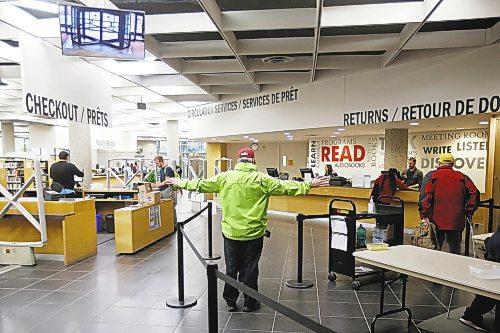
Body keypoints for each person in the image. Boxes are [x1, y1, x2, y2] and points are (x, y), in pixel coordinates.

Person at [164, 148, 330, 313]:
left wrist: (180, 182)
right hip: (254, 233)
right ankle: (250, 303)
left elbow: (200, 185)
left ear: (238, 161)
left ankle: (230, 302)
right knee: (250, 268)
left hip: (231, 233)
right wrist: (308, 184)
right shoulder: (261, 179)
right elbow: (286, 187)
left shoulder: (225, 177)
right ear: (253, 161)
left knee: (231, 268)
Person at [420, 153, 479, 255]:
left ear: (439, 163)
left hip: (436, 219)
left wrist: (423, 215)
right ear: (452, 164)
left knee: (435, 250)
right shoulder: (462, 177)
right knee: (455, 250)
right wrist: (470, 209)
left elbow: (425, 196)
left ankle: (434, 269)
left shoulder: (432, 176)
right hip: (456, 220)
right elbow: (474, 192)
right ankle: (454, 269)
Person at [460, 228, 500, 332]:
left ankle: (470, 315)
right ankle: (471, 315)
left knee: (489, 295)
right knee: (492, 294)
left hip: (493, 272)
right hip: (496, 275)